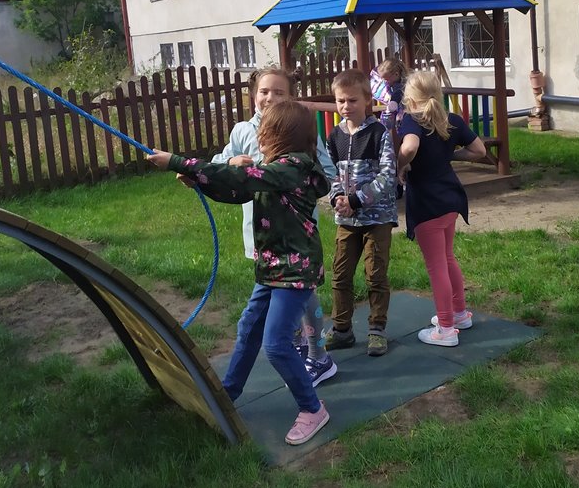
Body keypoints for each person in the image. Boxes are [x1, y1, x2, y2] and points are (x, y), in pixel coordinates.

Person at [148, 100, 332, 446]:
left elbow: (242, 177)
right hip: (273, 267)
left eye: (266, 131)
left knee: (276, 344)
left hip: (295, 271)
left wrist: (177, 161)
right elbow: (237, 190)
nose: (260, 137)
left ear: (283, 136)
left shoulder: (294, 168)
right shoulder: (274, 169)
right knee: (249, 328)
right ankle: (228, 393)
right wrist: (198, 181)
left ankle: (313, 409)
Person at [210, 66, 338, 387]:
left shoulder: (299, 129)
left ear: (291, 96)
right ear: (253, 94)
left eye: (279, 92)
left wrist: (301, 178)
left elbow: (326, 171)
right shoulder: (243, 131)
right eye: (264, 91)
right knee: (277, 298)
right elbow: (217, 166)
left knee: (303, 294)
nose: (270, 97)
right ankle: (295, 344)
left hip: (296, 233)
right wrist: (231, 163)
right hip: (261, 233)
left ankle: (319, 354)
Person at [397, 71, 486, 347]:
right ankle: (459, 314)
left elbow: (410, 147)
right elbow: (480, 151)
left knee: (436, 266)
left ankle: (445, 328)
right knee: (447, 258)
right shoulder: (452, 120)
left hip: (428, 203)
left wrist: (400, 165)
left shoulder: (412, 121)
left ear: (410, 100)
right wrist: (450, 154)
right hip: (451, 198)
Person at [325, 69, 397, 357]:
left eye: (352, 100)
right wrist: (337, 198)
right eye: (340, 101)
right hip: (346, 219)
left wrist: (356, 199)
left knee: (375, 274)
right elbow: (330, 173)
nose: (346, 106)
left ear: (368, 99)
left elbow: (387, 176)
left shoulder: (379, 133)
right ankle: (342, 329)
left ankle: (377, 329)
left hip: (377, 218)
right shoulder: (335, 136)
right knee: (340, 274)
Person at [376, 57, 406, 133]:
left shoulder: (401, 85)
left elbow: (398, 93)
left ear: (396, 74)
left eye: (386, 79)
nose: (385, 82)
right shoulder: (392, 84)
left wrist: (393, 102)